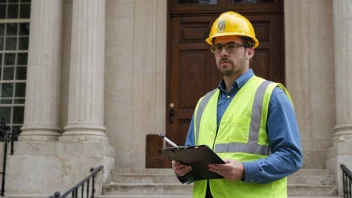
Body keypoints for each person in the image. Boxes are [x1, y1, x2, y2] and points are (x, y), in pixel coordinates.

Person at [171, 11, 303, 198]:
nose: (223, 53)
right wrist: (183, 171)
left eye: (231, 46)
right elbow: (193, 162)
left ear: (250, 51)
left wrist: (245, 170)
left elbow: (292, 157)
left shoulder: (272, 95)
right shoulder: (203, 103)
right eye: (218, 47)